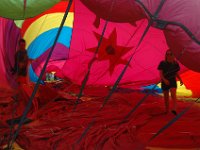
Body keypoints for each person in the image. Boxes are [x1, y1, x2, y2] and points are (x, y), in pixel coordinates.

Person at [158, 49, 183, 115]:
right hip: (164, 81)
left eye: (170, 54)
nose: (169, 55)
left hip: (172, 80)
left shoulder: (175, 64)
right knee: (166, 97)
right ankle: (167, 110)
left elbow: (176, 73)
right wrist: (164, 80)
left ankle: (174, 109)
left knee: (173, 94)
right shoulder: (162, 63)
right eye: (167, 54)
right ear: (166, 55)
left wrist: (180, 79)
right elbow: (160, 74)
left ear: (173, 55)